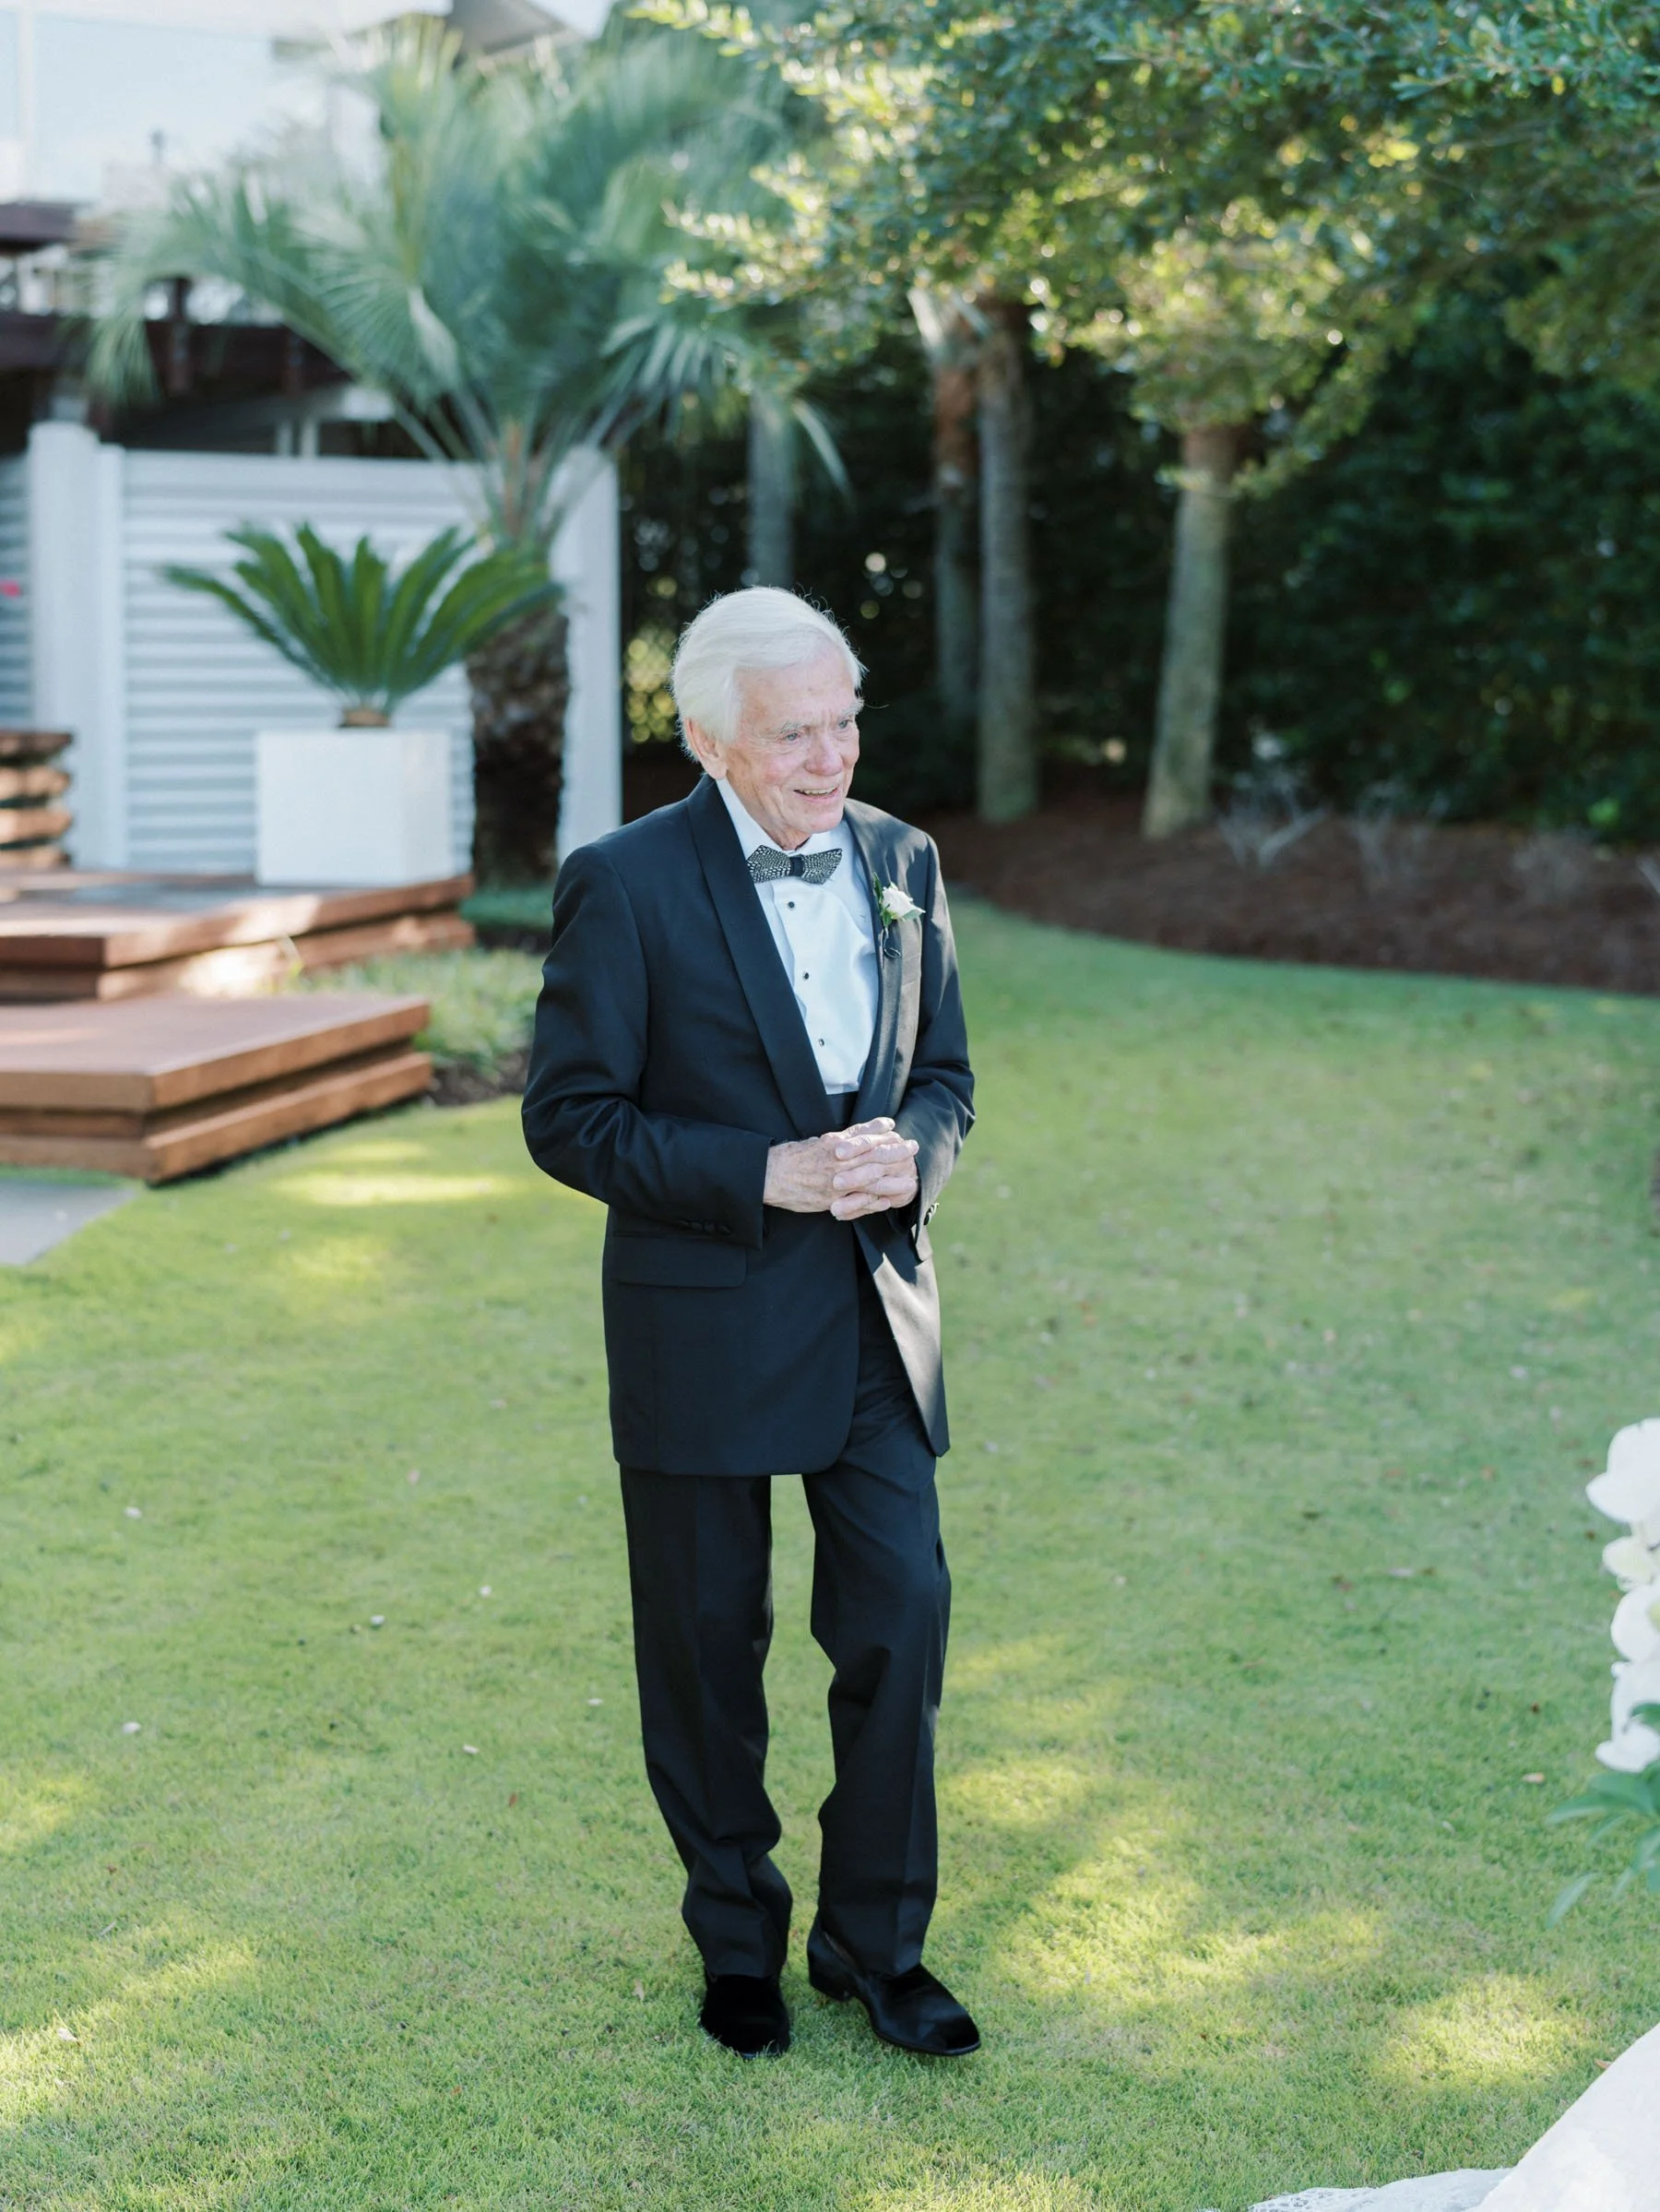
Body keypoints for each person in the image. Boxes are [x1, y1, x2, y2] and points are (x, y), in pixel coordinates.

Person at [522, 587, 978, 2061]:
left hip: (870, 1321)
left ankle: (875, 1941)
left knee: (902, 1615)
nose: (833, 753)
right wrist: (761, 1172)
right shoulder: (626, 882)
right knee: (710, 1648)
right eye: (798, 731)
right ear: (712, 737)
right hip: (701, 1328)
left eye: (848, 719)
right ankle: (737, 1943)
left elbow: (949, 1080)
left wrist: (916, 1147)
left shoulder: (906, 859)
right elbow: (569, 1118)